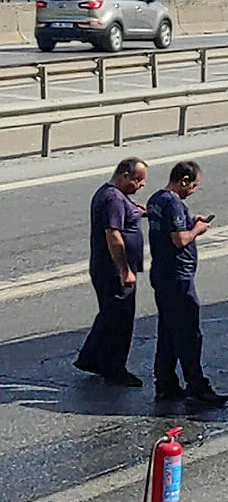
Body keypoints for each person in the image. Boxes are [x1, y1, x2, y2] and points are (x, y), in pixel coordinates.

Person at [145, 161, 227, 407]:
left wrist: (190, 220)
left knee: (168, 331)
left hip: (162, 273)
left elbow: (172, 224)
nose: (193, 190)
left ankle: (166, 383)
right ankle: (197, 385)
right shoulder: (172, 202)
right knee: (189, 332)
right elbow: (179, 239)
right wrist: (198, 229)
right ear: (183, 180)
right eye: (193, 185)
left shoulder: (156, 199)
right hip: (177, 277)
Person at [75, 158, 148, 387]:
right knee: (120, 320)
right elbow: (114, 236)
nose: (142, 185)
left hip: (109, 268)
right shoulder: (112, 199)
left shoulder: (116, 196)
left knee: (109, 314)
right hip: (113, 270)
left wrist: (137, 213)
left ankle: (90, 358)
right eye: (138, 179)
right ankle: (115, 370)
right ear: (124, 175)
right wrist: (124, 269)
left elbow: (125, 218)